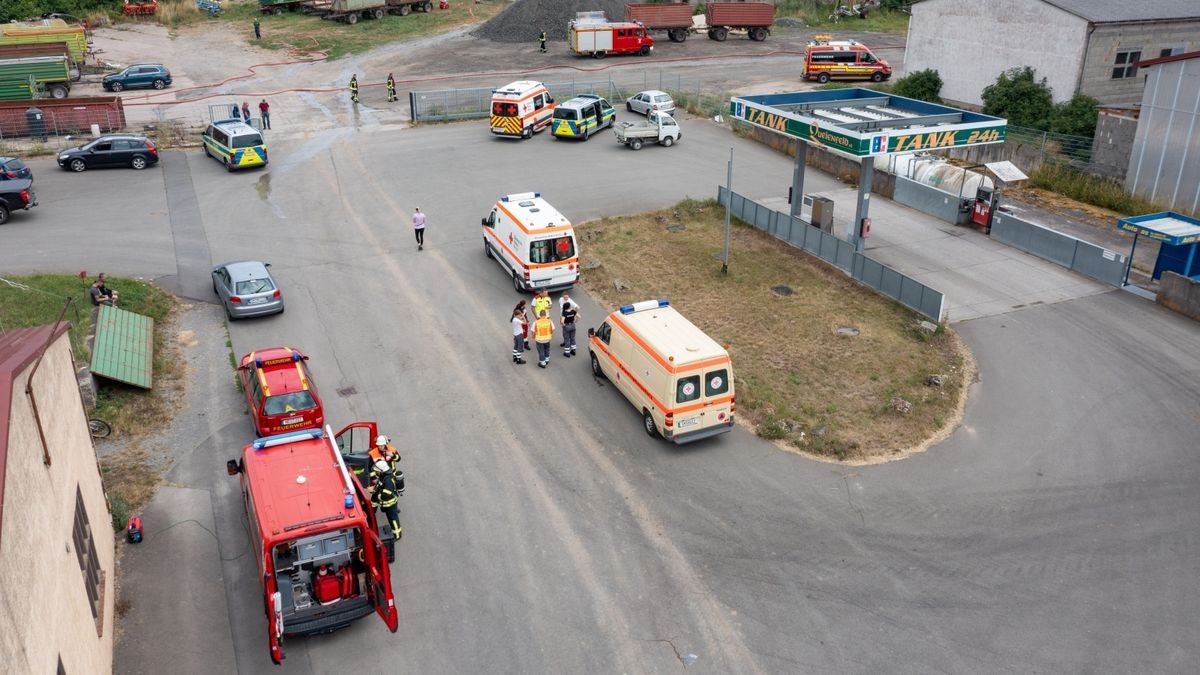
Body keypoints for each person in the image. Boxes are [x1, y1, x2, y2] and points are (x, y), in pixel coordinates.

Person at [370, 461, 402, 540]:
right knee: (391, 517)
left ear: (381, 471)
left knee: (393, 519)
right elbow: (380, 485)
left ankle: (397, 535)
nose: (376, 472)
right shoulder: (383, 476)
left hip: (390, 504)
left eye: (377, 471)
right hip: (386, 503)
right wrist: (375, 489)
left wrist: (378, 496)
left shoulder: (388, 481)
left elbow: (386, 495)